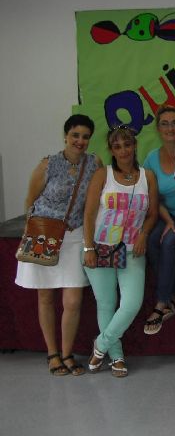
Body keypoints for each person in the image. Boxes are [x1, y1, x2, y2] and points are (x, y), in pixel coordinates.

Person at [15, 114, 101, 376]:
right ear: (65, 136)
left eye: (85, 137)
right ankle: (53, 354)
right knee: (45, 297)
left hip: (75, 237)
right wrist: (31, 234)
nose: (80, 141)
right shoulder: (48, 164)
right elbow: (31, 200)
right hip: (45, 236)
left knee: (73, 301)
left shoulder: (94, 164)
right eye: (75, 135)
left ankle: (67, 353)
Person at [83, 125, 158, 378]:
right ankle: (116, 357)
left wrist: (144, 234)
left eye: (127, 144)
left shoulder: (147, 176)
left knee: (131, 303)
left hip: (132, 249)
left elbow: (153, 214)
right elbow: (89, 214)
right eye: (117, 146)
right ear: (111, 150)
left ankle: (100, 345)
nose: (123, 150)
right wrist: (88, 248)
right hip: (100, 247)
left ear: (135, 145)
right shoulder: (102, 175)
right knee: (106, 304)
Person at [142, 105, 175, 335]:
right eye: (165, 124)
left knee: (168, 242)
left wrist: (173, 224)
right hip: (166, 213)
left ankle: (162, 303)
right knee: (151, 240)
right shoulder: (151, 159)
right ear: (158, 129)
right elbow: (152, 197)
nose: (170, 128)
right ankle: (173, 296)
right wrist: (167, 220)